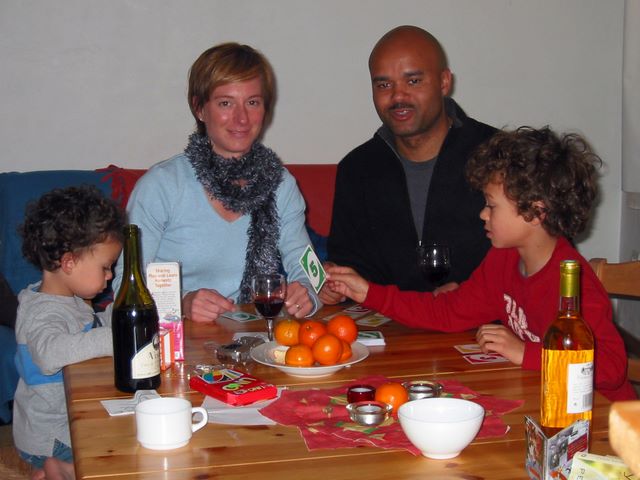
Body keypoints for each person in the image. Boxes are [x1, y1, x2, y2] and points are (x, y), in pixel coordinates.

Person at [327, 126, 636, 401]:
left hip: (602, 422)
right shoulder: (504, 258)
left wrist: (526, 353)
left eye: (491, 205)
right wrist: (367, 292)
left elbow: (611, 369)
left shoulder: (573, 283)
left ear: (535, 212)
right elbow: (448, 312)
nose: (483, 214)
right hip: (545, 398)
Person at [114, 42, 319, 322]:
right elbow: (124, 288)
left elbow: (310, 274)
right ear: (199, 108)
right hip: (176, 338)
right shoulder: (161, 186)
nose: (241, 118)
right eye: (225, 103)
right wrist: (182, 303)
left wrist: (306, 293)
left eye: (252, 102)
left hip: (255, 336)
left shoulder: (281, 185)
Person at [320, 25, 496, 305]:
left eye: (413, 81)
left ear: (444, 82)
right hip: (387, 326)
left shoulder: (500, 156)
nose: (398, 97)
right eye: (383, 85)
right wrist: (335, 285)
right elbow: (349, 263)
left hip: (484, 322)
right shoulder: (356, 169)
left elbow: (536, 258)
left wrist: (473, 295)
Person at [12, 186, 125, 476]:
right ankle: (61, 469)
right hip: (53, 436)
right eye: (106, 267)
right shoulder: (43, 312)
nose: (110, 275)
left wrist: (121, 314)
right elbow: (49, 354)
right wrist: (112, 338)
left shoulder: (66, 300)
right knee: (118, 460)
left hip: (63, 423)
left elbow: (90, 328)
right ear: (69, 263)